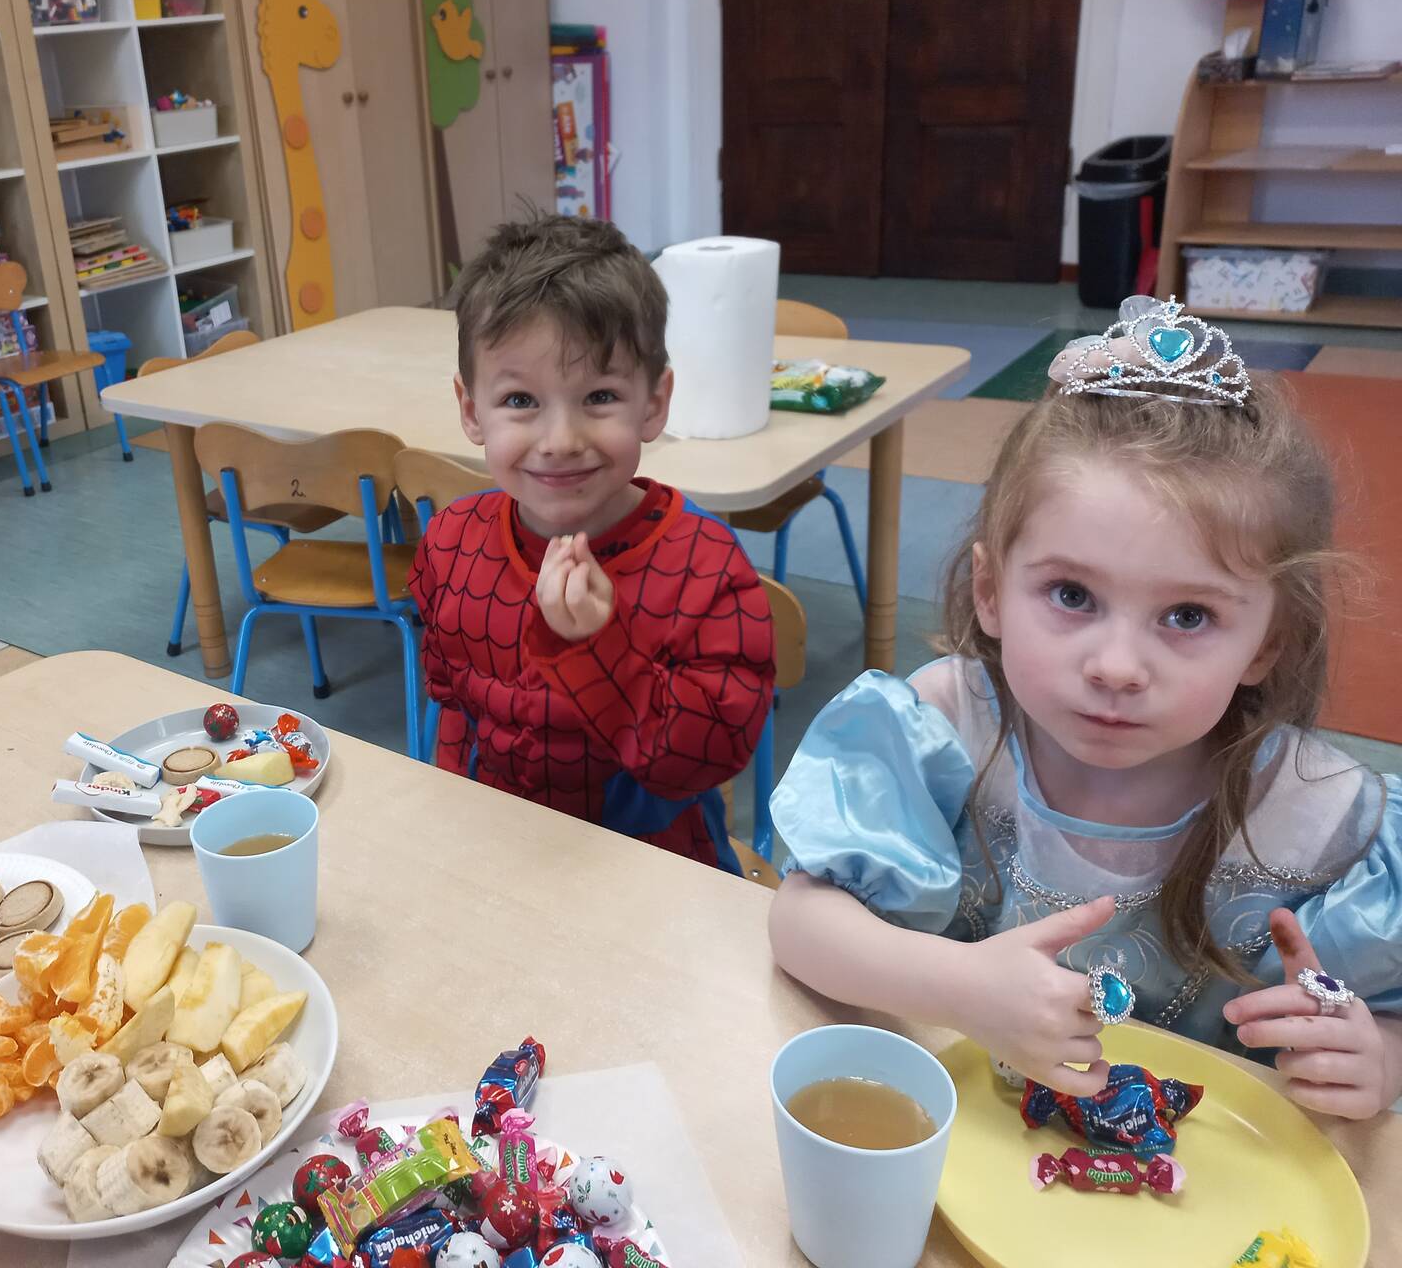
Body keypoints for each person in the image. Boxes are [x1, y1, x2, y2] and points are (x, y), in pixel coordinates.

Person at [768, 296, 1402, 1119]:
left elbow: (1383, 1017)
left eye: (1188, 616)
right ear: (991, 591)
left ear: (1268, 642)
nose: (1116, 668)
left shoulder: (1320, 818)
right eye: (1072, 595)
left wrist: (1378, 1060)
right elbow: (800, 923)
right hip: (961, 1140)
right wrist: (958, 985)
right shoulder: (940, 728)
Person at [408, 215, 775, 872]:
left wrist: (598, 646)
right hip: (497, 856)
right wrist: (455, 819)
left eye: (600, 396)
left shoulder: (706, 567)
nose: (560, 440)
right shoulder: (450, 543)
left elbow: (702, 760)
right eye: (520, 400)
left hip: (654, 871)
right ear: (470, 411)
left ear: (653, 404)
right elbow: (453, 705)